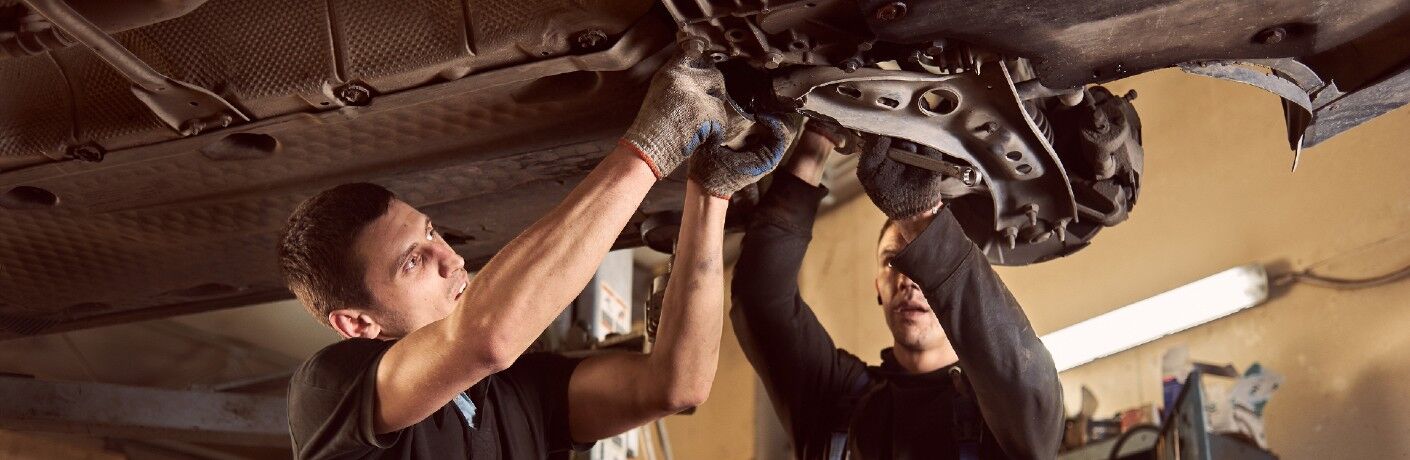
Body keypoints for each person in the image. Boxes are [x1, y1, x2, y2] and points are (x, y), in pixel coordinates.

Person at [277, 52, 789, 459]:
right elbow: (486, 338)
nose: (451, 259)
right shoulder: (327, 391)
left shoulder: (511, 391)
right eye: (412, 262)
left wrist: (712, 191)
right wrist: (651, 148)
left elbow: (673, 384)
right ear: (357, 324)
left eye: (432, 233)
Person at [731, 127, 1064, 459]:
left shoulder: (999, 419)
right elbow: (760, 299)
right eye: (893, 261)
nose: (910, 278)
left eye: (920, 261)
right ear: (878, 287)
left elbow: (1028, 388)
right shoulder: (837, 400)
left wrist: (919, 216)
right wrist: (817, 137)